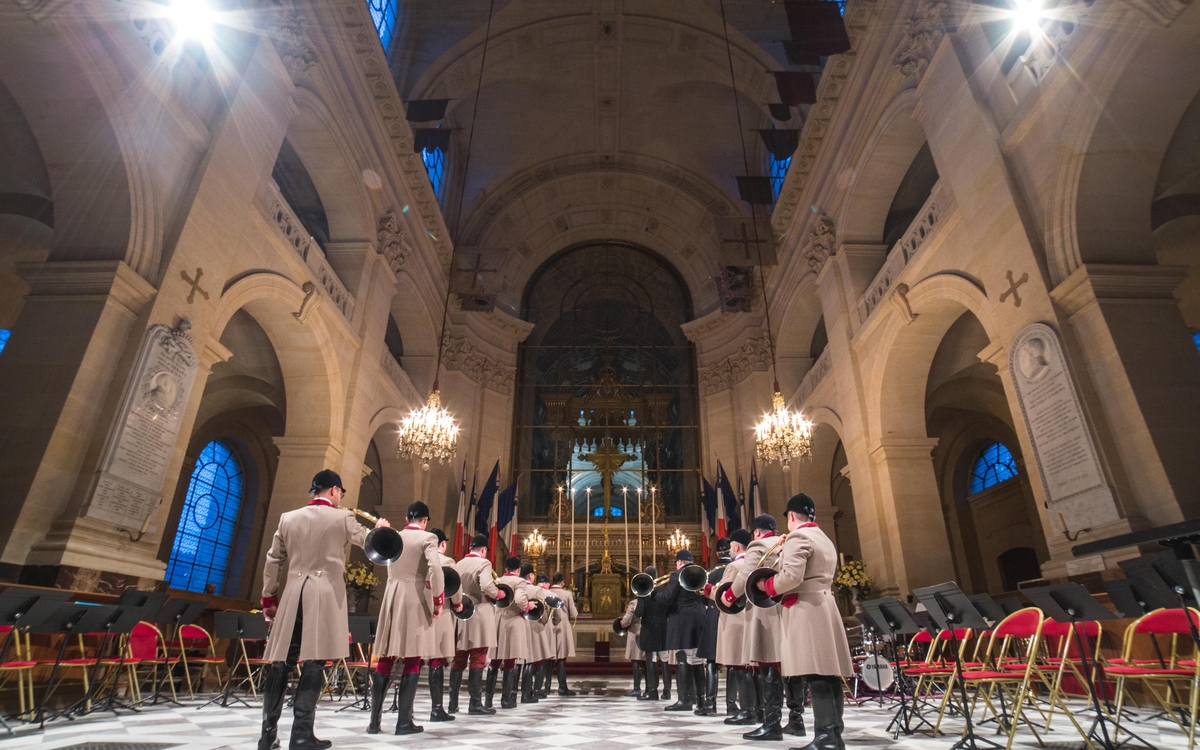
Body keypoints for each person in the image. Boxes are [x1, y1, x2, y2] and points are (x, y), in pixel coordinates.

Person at [258, 469, 389, 750]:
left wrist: (269, 598)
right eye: (340, 492)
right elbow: (368, 545)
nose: (341, 497)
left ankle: (267, 735)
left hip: (293, 594)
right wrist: (379, 530)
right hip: (323, 595)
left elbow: (273, 561)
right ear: (333, 490)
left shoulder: (287, 518)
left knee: (281, 663)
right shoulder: (343, 517)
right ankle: (302, 733)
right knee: (314, 662)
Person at [754, 494, 853, 750]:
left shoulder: (799, 537)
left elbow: (790, 578)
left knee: (816, 674)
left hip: (806, 610)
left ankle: (824, 739)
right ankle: (834, 736)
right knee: (829, 674)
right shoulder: (823, 536)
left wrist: (765, 585)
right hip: (825, 606)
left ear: (790, 516)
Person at [369, 501, 450, 735]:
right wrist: (437, 599)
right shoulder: (428, 539)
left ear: (406, 520)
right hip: (414, 597)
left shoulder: (394, 536)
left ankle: (374, 722)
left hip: (392, 595)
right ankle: (403, 722)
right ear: (425, 521)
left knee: (386, 656)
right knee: (412, 658)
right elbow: (435, 568)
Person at [728, 514, 789, 741]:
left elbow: (746, 575)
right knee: (787, 668)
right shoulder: (785, 543)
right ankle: (795, 721)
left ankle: (772, 725)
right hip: (786, 610)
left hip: (764, 611)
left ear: (756, 532)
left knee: (768, 664)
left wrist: (728, 595)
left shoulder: (757, 545)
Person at [450, 535, 505, 715]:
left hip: (461, 614)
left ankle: (452, 703)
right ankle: (475, 703)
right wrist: (498, 594)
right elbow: (488, 586)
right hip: (480, 614)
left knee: (459, 659)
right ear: (483, 550)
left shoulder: (458, 564)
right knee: (478, 657)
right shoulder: (484, 563)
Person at [657, 549, 708, 712]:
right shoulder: (701, 573)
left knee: (682, 658)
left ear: (679, 562)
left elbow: (667, 597)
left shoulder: (677, 575)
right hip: (699, 618)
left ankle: (684, 699)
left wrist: (653, 593)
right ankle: (700, 700)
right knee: (697, 661)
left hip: (681, 620)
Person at [714, 529, 756, 725]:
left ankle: (747, 711)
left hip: (736, 621)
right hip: (754, 620)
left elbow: (724, 592)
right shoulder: (757, 562)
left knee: (740, 667)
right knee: (756, 668)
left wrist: (709, 590)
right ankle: (759, 710)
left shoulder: (734, 566)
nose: (729, 550)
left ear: (736, 546)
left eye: (731, 547)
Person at [695, 538, 733, 717]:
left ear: (716, 553)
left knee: (711, 661)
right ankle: (732, 705)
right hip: (732, 616)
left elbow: (702, 597)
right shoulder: (736, 568)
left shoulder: (709, 572)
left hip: (712, 615)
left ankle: (710, 704)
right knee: (734, 662)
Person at [426, 528, 460, 722]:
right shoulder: (447, 562)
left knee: (414, 660)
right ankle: (436, 709)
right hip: (442, 611)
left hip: (422, 612)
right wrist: (458, 603)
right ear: (443, 544)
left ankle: (407, 711)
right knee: (437, 659)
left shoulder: (421, 560)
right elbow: (455, 589)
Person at [492, 556, 530, 709]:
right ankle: (507, 699)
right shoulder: (519, 581)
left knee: (495, 660)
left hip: (498, 620)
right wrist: (528, 607)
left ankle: (488, 698)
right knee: (510, 660)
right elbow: (520, 600)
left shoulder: (498, 580)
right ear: (519, 570)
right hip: (513, 621)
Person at [634, 565, 672, 702]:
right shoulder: (664, 591)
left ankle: (652, 691)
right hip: (663, 628)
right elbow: (669, 610)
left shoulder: (643, 593)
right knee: (665, 659)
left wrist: (638, 602)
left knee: (651, 659)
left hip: (649, 629)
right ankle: (667, 691)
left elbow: (639, 613)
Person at [522, 567, 554, 702]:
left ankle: (514, 693)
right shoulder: (537, 590)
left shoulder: (517, 588)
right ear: (530, 576)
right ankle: (536, 691)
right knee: (538, 660)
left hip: (520, 627)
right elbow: (543, 612)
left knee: (521, 662)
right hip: (535, 628)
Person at [549, 571, 578, 695]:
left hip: (549, 626)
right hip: (562, 626)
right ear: (562, 583)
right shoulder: (567, 594)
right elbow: (574, 613)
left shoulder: (546, 592)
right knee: (561, 658)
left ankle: (546, 687)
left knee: (548, 657)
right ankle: (562, 687)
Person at [619, 596, 645, 697]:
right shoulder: (651, 601)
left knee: (636, 659)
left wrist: (622, 623)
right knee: (646, 660)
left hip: (635, 632)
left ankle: (637, 689)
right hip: (648, 632)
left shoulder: (634, 603)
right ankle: (649, 689)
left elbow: (626, 620)